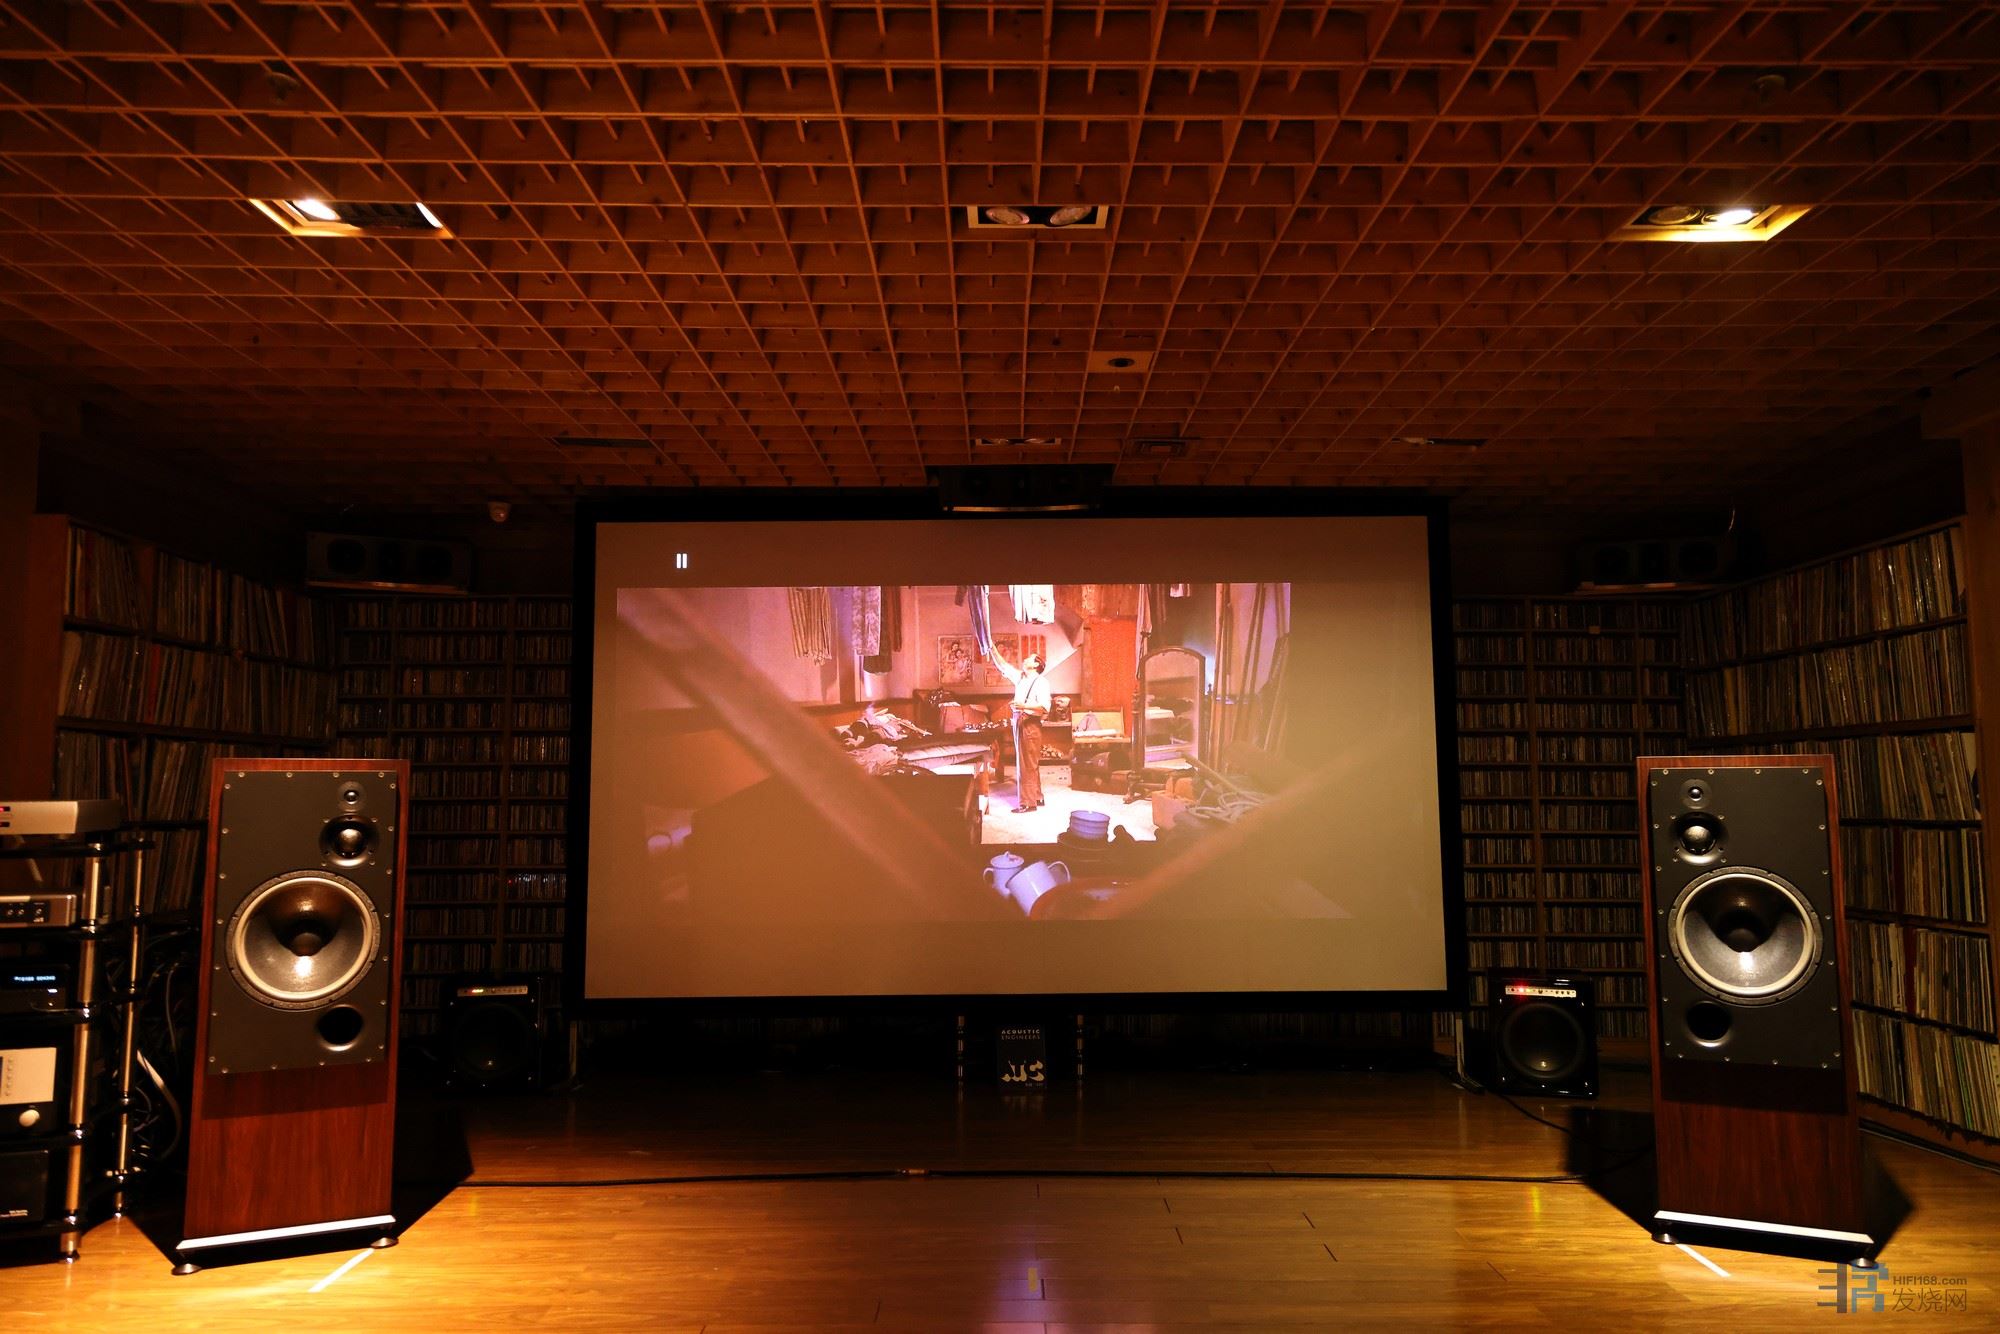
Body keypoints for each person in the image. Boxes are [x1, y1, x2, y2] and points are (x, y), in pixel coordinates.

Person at [989, 644, 1051, 812]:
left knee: (1026, 764)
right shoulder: (1021, 678)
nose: (1025, 659)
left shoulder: (1041, 682)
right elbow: (1003, 665)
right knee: (1029, 762)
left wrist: (1023, 706)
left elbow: (1044, 707)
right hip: (1020, 720)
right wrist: (991, 647)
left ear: (1036, 664)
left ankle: (1027, 803)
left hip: (1030, 723)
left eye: (1029, 658)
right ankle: (1036, 796)